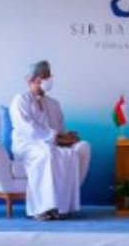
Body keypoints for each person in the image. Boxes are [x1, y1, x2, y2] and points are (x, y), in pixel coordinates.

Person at [10, 60, 90, 220]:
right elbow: (28, 128)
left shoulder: (54, 104)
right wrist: (57, 137)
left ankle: (59, 207)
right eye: (45, 77)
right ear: (33, 80)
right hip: (27, 145)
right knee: (46, 153)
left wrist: (68, 137)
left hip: (50, 144)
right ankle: (40, 209)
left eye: (49, 76)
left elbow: (59, 128)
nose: (49, 80)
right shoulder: (21, 100)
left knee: (69, 155)